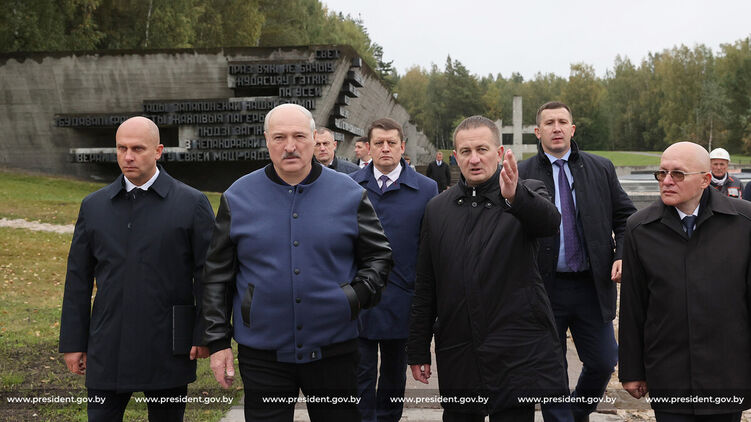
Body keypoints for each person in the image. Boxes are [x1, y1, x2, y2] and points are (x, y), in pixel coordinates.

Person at [200, 103, 393, 422]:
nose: (289, 146)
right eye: (279, 137)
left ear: (314, 138)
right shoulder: (238, 196)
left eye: (299, 136)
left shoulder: (348, 193)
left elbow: (379, 255)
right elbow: (217, 275)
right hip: (263, 353)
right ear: (266, 141)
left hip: (335, 349)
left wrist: (355, 297)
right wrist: (218, 341)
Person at [407, 115, 568, 422]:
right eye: (465, 152)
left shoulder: (525, 193)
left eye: (482, 149)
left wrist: (515, 196)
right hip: (459, 349)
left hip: (514, 351)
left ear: (499, 152)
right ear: (455, 157)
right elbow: (426, 284)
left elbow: (549, 223)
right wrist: (417, 348)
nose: (474, 159)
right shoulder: (437, 209)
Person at [59, 116, 215, 422]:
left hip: (168, 343)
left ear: (158, 151)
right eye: (121, 148)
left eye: (137, 149)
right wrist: (73, 343)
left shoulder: (192, 203)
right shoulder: (94, 206)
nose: (128, 156)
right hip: (108, 343)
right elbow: (77, 279)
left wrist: (205, 333)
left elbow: (208, 276)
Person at [517, 101, 636, 422]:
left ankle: (577, 411)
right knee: (550, 368)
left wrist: (622, 254)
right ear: (537, 131)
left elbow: (626, 218)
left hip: (591, 286)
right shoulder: (522, 173)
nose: (556, 128)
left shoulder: (601, 168)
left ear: (572, 129)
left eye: (562, 122)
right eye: (549, 123)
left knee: (603, 361)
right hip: (542, 289)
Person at [619, 141, 751, 421]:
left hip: (726, 373)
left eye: (678, 174)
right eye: (662, 173)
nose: (667, 181)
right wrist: (631, 370)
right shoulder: (639, 228)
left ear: (705, 179)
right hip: (669, 372)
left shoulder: (743, 222)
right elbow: (633, 305)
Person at [350, 118, 438, 422]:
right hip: (359, 298)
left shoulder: (426, 189)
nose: (385, 148)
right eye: (379, 143)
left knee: (393, 375)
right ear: (368, 147)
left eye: (391, 143)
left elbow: (429, 246)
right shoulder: (349, 186)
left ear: (402, 146)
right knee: (359, 374)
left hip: (404, 298)